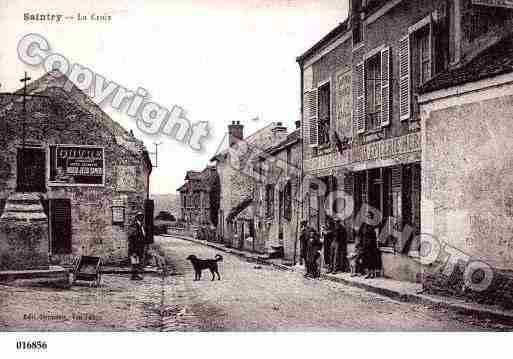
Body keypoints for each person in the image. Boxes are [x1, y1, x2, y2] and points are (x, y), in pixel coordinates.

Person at [359, 212, 381, 279]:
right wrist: (361, 243)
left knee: (372, 259)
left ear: (371, 218)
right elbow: (360, 234)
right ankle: (368, 273)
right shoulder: (363, 225)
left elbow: (377, 235)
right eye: (366, 217)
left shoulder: (373, 225)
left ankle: (372, 273)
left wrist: (377, 243)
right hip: (365, 244)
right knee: (366, 259)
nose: (367, 218)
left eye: (369, 217)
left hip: (372, 244)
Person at [128, 212, 146, 280]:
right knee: (134, 261)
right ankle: (134, 275)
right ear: (138, 218)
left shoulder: (141, 226)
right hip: (135, 248)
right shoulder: (135, 226)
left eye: (142, 217)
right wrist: (134, 250)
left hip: (139, 247)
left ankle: (135, 275)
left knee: (137, 261)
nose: (142, 218)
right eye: (141, 217)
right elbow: (133, 239)